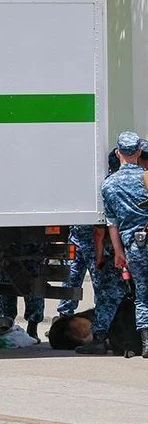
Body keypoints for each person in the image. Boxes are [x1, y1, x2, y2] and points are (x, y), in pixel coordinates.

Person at [57, 150, 123, 318]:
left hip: (77, 238)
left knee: (71, 279)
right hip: (95, 243)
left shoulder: (87, 181)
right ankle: (100, 323)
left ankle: (63, 319)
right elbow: (99, 229)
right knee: (101, 285)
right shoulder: (109, 184)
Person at [75, 149, 129, 354]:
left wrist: (99, 257)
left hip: (114, 249)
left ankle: (100, 339)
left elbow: (100, 230)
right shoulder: (141, 178)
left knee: (108, 294)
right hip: (136, 244)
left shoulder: (108, 185)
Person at [100, 131, 148, 358]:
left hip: (134, 247)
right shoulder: (147, 178)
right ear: (139, 152)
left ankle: (146, 343)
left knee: (142, 295)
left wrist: (119, 253)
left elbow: (112, 224)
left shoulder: (109, 185)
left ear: (118, 153)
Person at [0, 244, 45, 341]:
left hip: (27, 245)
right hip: (12, 245)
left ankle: (32, 328)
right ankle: (6, 325)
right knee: (8, 286)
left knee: (32, 286)